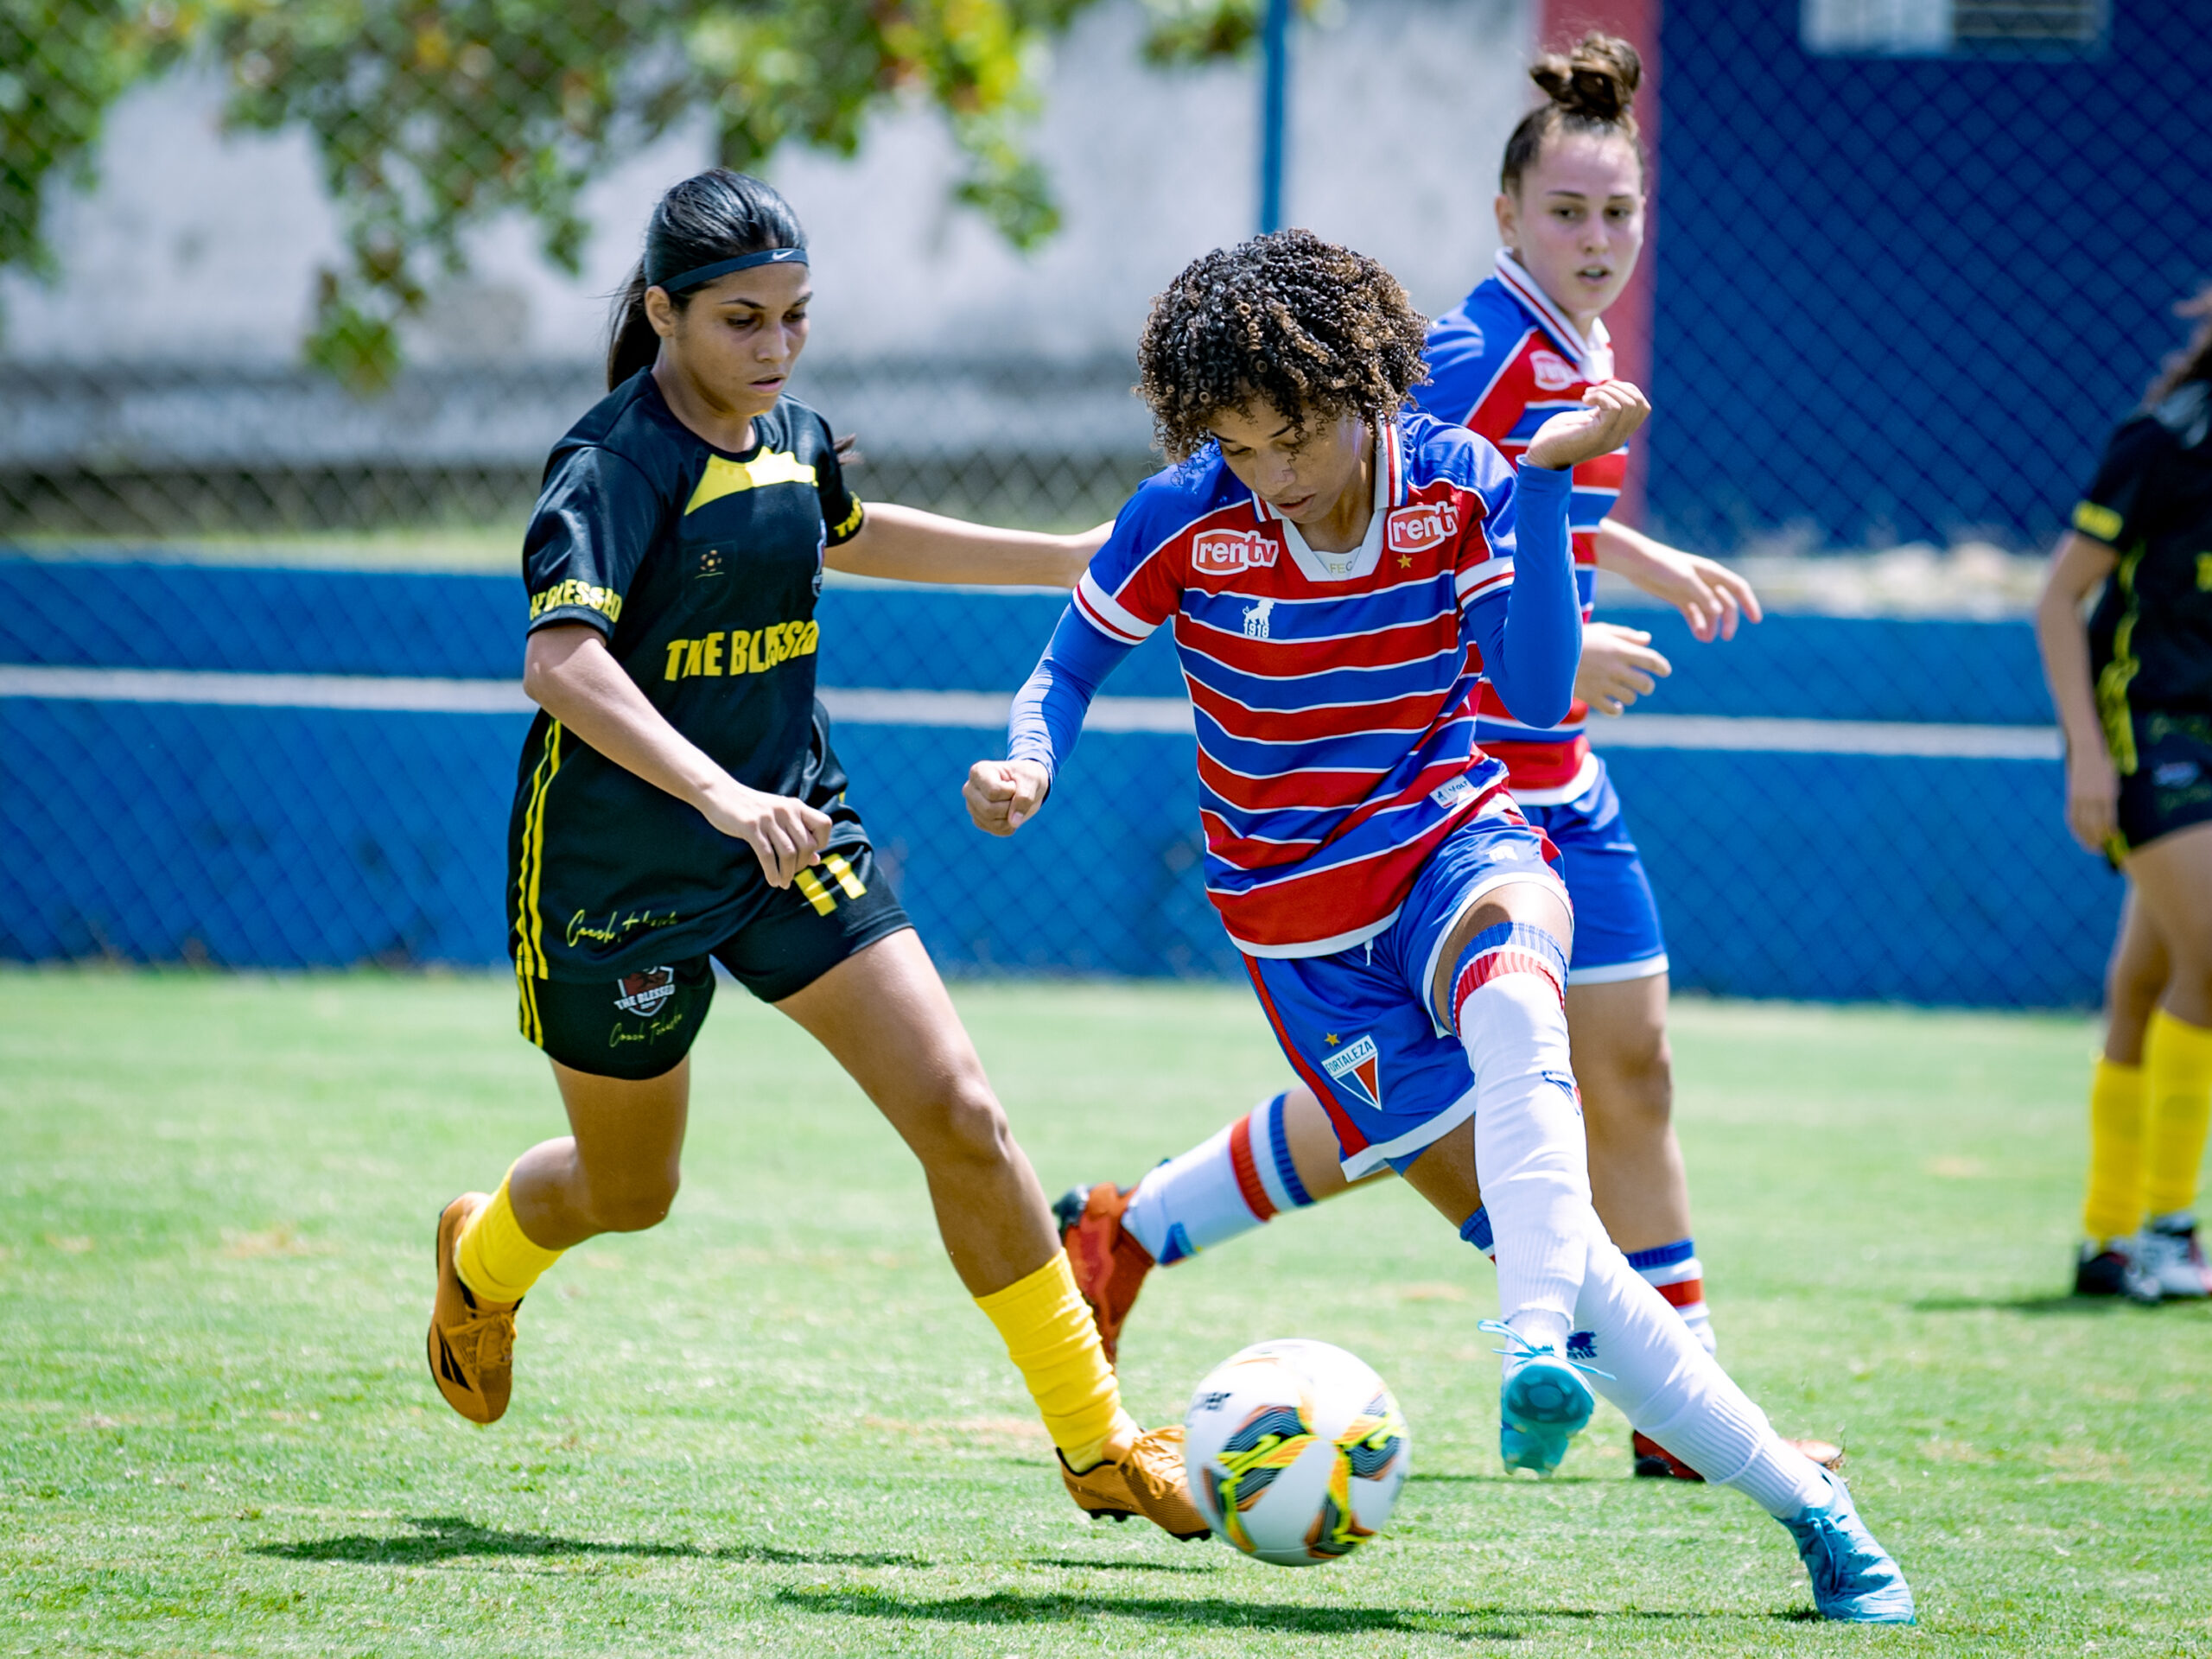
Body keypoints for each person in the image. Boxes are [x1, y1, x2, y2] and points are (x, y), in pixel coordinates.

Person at [966, 227, 1913, 1620]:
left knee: (1526, 1003)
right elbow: (1066, 665)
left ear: (1363, 388)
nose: (1272, 476)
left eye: (1293, 437)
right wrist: (1028, 761)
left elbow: (1533, 699)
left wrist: (1538, 479)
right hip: (1305, 948)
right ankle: (1811, 1506)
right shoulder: (1180, 513)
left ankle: (1530, 1344)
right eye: (1239, 446)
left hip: (1449, 842)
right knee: (1579, 1258)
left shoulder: (1463, 481)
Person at [1052, 34, 1833, 1484]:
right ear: (1506, 219)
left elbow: (1533, 509)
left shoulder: (1571, 349)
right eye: (1566, 214)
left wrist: (1629, 564)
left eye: (1619, 215)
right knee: (1493, 1100)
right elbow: (1432, 519)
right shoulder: (1476, 348)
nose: (1596, 241)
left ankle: (1134, 1226)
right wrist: (1554, 654)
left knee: (1564, 1079)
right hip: (1480, 779)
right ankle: (1680, 1410)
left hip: (1536, 777)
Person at [423, 168, 1205, 1542]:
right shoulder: (612, 464)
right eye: (741, 320)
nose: (774, 349)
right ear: (662, 313)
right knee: (632, 1190)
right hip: (620, 876)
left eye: (795, 317)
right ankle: (481, 1255)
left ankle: (1095, 1441)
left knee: (964, 1114)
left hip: (796, 834)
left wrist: (1066, 556)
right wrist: (719, 793)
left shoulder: (789, 431)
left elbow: (855, 529)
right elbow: (562, 664)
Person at [2037, 283, 2212, 1305]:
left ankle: (2108, 1239)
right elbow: (2057, 601)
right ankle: (2167, 1229)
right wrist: (2088, 755)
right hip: (2152, 740)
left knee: (2147, 987)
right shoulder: (2162, 442)